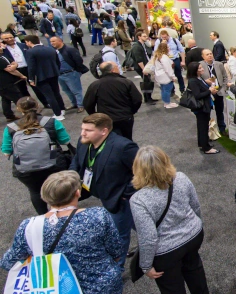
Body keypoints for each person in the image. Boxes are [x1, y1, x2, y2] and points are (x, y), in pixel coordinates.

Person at [0, 171, 125, 294]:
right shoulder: (98, 215)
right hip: (103, 286)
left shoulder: (29, 227)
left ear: (45, 196)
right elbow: (116, 252)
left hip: (57, 288)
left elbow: (8, 262)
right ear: (77, 193)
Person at [130, 147, 210, 293]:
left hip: (167, 251)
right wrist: (196, 227)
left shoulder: (138, 200)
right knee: (195, 272)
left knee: (172, 288)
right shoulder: (181, 177)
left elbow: (148, 237)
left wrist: (146, 266)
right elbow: (195, 206)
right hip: (194, 236)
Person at [70, 113, 140, 262]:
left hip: (118, 198)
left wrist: (126, 193)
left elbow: (143, 172)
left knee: (119, 234)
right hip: (100, 192)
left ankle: (118, 267)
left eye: (88, 130)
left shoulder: (123, 147)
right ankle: (151, 241)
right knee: (137, 221)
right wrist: (70, 178)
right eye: (82, 129)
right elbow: (77, 160)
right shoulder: (83, 142)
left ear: (104, 131)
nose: (83, 133)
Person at [2, 96, 72, 214]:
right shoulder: (51, 122)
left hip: (25, 169)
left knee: (35, 191)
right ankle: (64, 213)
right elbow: (65, 141)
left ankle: (44, 217)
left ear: (19, 109)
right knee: (58, 187)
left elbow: (6, 152)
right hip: (54, 164)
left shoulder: (11, 127)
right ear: (37, 106)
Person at [84, 62, 142, 140]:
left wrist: (96, 116)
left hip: (106, 120)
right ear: (113, 69)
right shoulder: (126, 82)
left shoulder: (95, 85)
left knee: (110, 140)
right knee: (127, 138)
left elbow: (88, 104)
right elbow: (137, 99)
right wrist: (131, 111)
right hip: (125, 117)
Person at [23, 35, 66, 120]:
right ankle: (62, 109)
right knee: (56, 93)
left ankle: (58, 114)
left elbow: (31, 67)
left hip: (40, 77)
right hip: (53, 74)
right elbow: (58, 62)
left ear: (29, 42)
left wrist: (31, 78)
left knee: (49, 95)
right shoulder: (50, 49)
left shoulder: (30, 52)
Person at [186, 62, 221, 155]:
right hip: (201, 107)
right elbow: (197, 95)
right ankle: (206, 148)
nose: (202, 69)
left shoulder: (198, 78)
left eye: (201, 67)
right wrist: (209, 90)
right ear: (194, 70)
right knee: (203, 126)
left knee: (202, 126)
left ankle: (202, 144)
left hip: (204, 106)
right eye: (199, 68)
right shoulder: (193, 81)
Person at [50, 36, 88, 113]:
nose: (51, 43)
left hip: (70, 73)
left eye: (53, 41)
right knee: (66, 90)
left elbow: (78, 60)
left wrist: (77, 71)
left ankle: (80, 105)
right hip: (60, 75)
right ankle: (74, 103)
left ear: (60, 41)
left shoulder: (70, 50)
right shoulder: (54, 51)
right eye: (51, 42)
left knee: (76, 90)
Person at [200, 49, 229, 132]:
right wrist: (206, 82)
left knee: (220, 111)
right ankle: (210, 130)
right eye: (207, 54)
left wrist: (223, 88)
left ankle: (222, 129)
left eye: (210, 54)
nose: (210, 56)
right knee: (207, 112)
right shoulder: (200, 65)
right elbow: (198, 79)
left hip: (219, 91)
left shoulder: (219, 64)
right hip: (207, 92)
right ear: (203, 57)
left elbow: (225, 77)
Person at [2, 31, 33, 99]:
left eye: (11, 37)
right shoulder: (3, 50)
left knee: (36, 87)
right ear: (2, 40)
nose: (10, 39)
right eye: (6, 38)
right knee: (22, 90)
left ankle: (45, 103)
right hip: (16, 71)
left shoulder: (23, 45)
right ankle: (29, 104)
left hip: (27, 68)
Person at [155, 29, 186, 95]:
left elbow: (181, 50)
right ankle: (172, 90)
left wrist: (183, 61)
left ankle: (182, 89)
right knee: (169, 75)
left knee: (179, 75)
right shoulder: (159, 41)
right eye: (162, 37)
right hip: (165, 60)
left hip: (175, 58)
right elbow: (156, 51)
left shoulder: (174, 40)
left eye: (165, 37)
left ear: (168, 36)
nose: (164, 39)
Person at [0, 43, 24, 120]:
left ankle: (9, 115)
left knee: (5, 99)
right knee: (18, 98)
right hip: (5, 84)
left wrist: (14, 65)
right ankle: (28, 113)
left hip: (5, 84)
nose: (3, 46)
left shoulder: (2, 56)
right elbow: (10, 70)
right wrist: (21, 76)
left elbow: (14, 62)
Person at [153, 42, 179, 109]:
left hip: (159, 76)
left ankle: (166, 102)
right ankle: (167, 103)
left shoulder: (157, 56)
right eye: (167, 47)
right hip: (165, 76)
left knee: (163, 90)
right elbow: (168, 69)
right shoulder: (164, 57)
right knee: (167, 90)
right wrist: (173, 76)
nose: (169, 48)